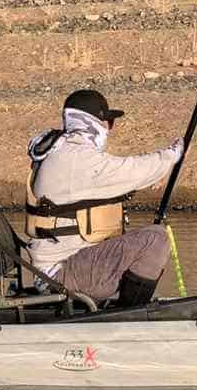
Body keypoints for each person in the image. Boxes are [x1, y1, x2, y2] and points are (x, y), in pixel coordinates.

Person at [24, 89, 182, 307]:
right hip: (61, 275)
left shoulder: (59, 151)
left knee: (149, 237)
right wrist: (173, 154)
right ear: (92, 122)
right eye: (108, 122)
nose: (109, 128)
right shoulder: (75, 157)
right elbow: (130, 171)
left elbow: (101, 188)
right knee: (155, 239)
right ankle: (129, 315)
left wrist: (156, 172)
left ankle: (127, 308)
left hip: (56, 269)